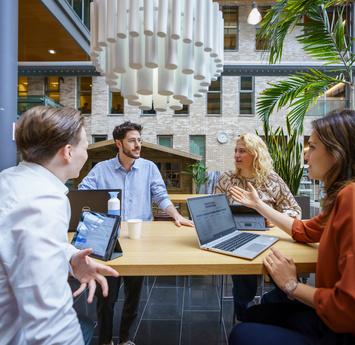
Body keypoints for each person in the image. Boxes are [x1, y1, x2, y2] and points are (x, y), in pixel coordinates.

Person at [228, 109, 355, 345]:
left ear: (336, 153)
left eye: (312, 148)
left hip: (343, 331)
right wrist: (258, 205)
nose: (306, 157)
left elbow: (347, 310)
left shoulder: (351, 198)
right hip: (333, 318)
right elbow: (304, 230)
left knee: (240, 333)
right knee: (254, 314)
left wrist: (291, 285)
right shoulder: (341, 197)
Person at [0, 106, 119, 345]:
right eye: (85, 147)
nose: (85, 153)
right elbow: (50, 320)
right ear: (68, 152)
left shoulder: (10, 179)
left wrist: (70, 255)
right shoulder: (43, 201)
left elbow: (18, 242)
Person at [79, 121, 194, 345]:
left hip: (140, 240)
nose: (138, 144)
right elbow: (83, 193)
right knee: (106, 295)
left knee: (134, 295)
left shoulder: (149, 168)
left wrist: (176, 215)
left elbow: (161, 196)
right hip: (109, 240)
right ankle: (104, 341)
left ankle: (126, 339)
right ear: (118, 143)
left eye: (139, 140)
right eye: (132, 140)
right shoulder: (102, 169)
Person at [214, 132, 301, 321]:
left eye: (242, 151)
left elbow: (294, 210)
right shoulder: (226, 179)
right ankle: (243, 312)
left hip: (271, 241)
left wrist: (276, 218)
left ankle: (271, 305)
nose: (236, 155)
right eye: (236, 151)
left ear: (256, 154)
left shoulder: (272, 180)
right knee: (243, 279)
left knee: (286, 284)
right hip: (237, 240)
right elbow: (215, 211)